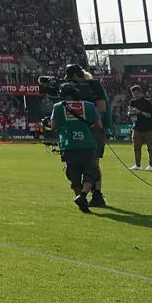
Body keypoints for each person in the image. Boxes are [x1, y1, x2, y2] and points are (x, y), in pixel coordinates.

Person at [51, 83, 104, 213]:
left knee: (73, 175)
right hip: (87, 145)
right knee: (91, 173)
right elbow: (99, 125)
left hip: (69, 146)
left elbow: (53, 126)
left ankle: (81, 201)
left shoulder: (58, 107)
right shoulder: (89, 106)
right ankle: (83, 196)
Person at [66, 64, 110, 206]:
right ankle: (83, 195)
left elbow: (101, 108)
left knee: (93, 163)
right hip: (78, 129)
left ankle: (97, 194)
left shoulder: (94, 86)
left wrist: (85, 116)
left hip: (94, 128)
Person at [127, 84, 152, 172]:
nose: (134, 96)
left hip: (147, 128)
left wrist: (140, 112)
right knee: (136, 148)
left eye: (135, 94)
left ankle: (150, 165)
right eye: (133, 94)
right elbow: (130, 114)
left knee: (150, 148)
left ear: (140, 93)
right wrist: (130, 113)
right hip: (136, 128)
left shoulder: (147, 103)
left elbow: (150, 115)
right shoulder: (132, 102)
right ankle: (137, 165)